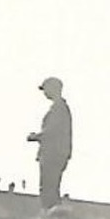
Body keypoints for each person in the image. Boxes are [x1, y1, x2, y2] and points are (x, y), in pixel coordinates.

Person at [27, 76, 73, 212]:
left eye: (46, 89)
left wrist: (36, 136)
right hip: (55, 153)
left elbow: (52, 131)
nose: (45, 93)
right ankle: (51, 215)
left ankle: (50, 216)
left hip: (53, 153)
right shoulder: (59, 108)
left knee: (48, 187)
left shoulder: (59, 108)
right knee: (50, 187)